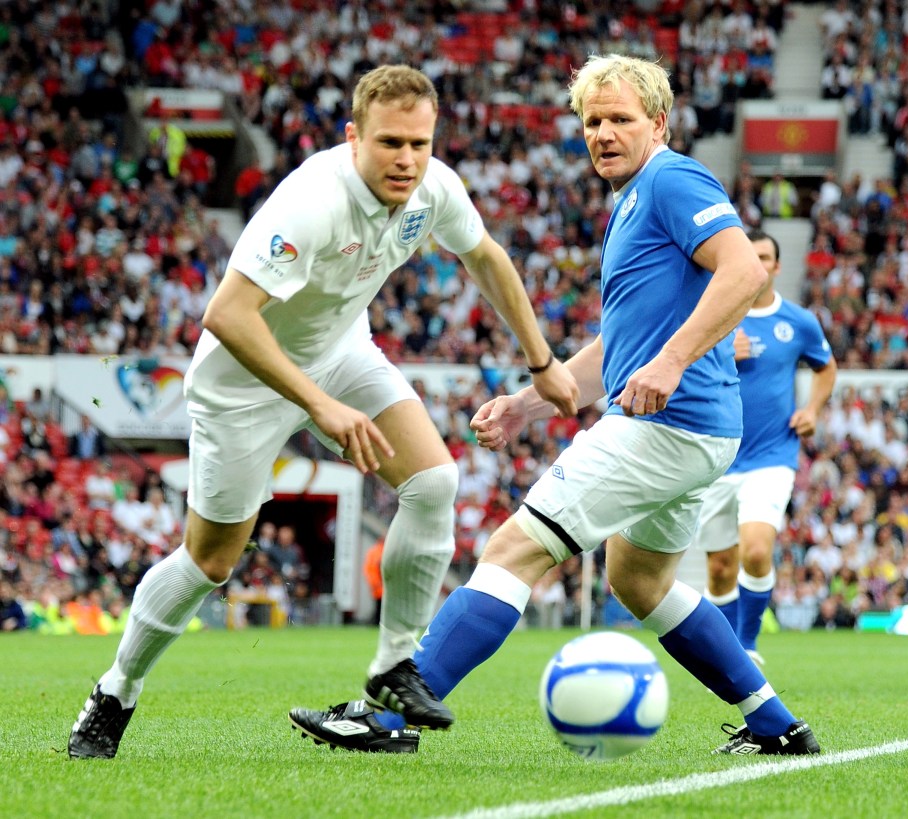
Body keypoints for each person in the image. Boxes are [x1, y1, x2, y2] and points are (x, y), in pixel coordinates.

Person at [290, 55, 821, 757]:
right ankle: (775, 722)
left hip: (668, 424)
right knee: (639, 579)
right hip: (699, 430)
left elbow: (744, 268)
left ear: (658, 123)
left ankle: (388, 716)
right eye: (592, 121)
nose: (602, 133)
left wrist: (671, 361)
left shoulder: (671, 177)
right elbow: (620, 345)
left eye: (619, 119)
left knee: (516, 547)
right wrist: (526, 406)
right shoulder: (633, 199)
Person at [68, 65, 579, 760]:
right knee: (210, 560)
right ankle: (116, 689)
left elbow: (486, 257)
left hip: (340, 353)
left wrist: (543, 363)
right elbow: (227, 315)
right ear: (353, 138)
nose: (407, 159)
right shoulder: (311, 200)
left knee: (434, 481)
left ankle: (395, 669)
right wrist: (318, 405)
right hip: (243, 384)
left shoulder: (435, 189)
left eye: (420, 143)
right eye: (390, 142)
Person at [695, 230, 837, 665]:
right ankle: (727, 652)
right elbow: (675, 365)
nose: (758, 263)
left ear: (776, 266)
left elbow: (826, 368)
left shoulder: (798, 321)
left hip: (773, 455)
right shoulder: (713, 316)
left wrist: (812, 408)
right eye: (750, 255)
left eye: (766, 257)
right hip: (717, 457)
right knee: (720, 568)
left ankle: (747, 646)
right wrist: (718, 353)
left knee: (756, 550)